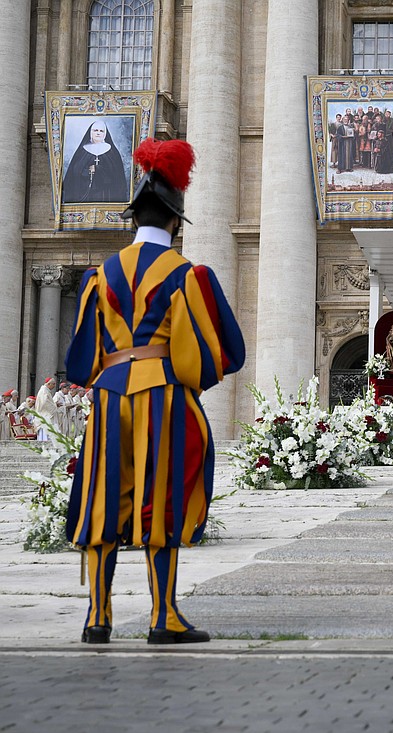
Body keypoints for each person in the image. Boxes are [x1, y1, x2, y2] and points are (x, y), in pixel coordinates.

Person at [65, 137, 245, 646]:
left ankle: (97, 618)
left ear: (132, 218)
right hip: (160, 395)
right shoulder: (186, 275)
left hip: (107, 396)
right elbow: (220, 354)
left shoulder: (100, 277)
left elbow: (81, 359)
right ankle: (162, 616)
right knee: (159, 500)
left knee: (103, 498)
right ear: (174, 223)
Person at [61, 118, 130, 204]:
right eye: (95, 130)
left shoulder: (112, 151)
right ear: (91, 132)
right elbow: (74, 171)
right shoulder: (83, 150)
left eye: (101, 131)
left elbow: (116, 174)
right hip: (86, 191)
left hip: (105, 192)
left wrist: (97, 169)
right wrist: (87, 172)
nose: (98, 133)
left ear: (105, 134)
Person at [376, 109, 393, 175]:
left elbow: (392, 130)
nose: (387, 115)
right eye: (386, 114)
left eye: (388, 114)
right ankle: (382, 168)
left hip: (389, 138)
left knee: (390, 151)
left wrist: (387, 133)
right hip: (383, 138)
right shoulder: (383, 121)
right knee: (383, 152)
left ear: (390, 115)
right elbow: (381, 128)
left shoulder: (392, 121)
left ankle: (390, 167)